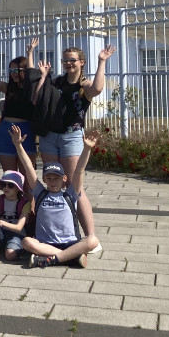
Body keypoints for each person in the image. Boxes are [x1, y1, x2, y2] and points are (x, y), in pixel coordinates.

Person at [32, 44, 115, 249]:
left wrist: (102, 61)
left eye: (72, 60)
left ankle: (91, 238)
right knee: (52, 184)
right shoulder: (56, 81)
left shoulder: (83, 84)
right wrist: (43, 76)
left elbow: (97, 89)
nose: (68, 63)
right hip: (49, 136)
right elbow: (36, 99)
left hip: (71, 137)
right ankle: (56, 232)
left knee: (74, 187)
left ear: (81, 62)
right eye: (65, 60)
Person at [11, 125, 100, 268]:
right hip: (46, 243)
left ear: (64, 179)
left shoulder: (70, 194)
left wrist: (87, 149)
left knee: (93, 240)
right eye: (49, 178)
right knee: (27, 242)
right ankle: (70, 257)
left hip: (70, 242)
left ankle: (52, 259)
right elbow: (28, 167)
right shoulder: (40, 193)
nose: (53, 182)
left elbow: (79, 171)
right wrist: (18, 145)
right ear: (44, 179)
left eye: (56, 178)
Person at [0, 37, 40, 173]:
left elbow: (32, 75)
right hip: (7, 130)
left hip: (26, 131)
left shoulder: (33, 88)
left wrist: (30, 54)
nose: (13, 74)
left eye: (17, 70)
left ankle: (28, 196)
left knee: (28, 177)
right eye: (11, 71)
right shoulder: (7, 87)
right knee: (10, 176)